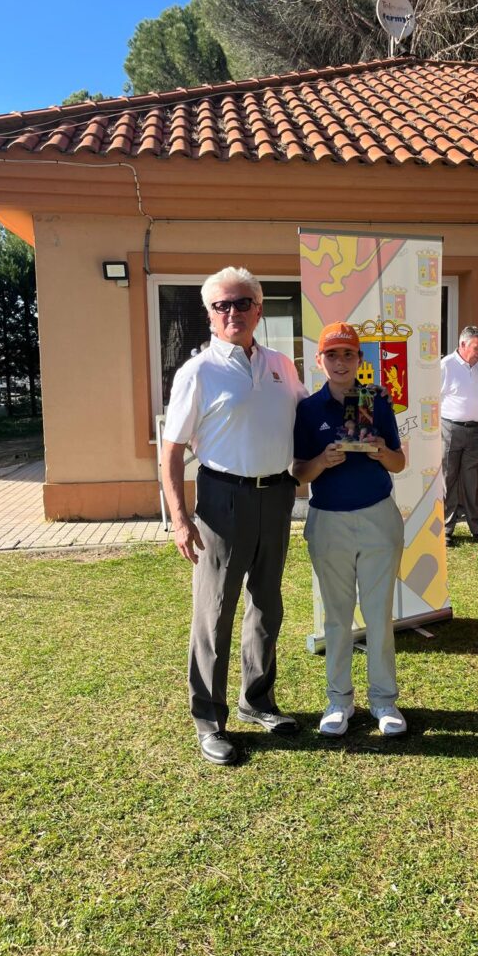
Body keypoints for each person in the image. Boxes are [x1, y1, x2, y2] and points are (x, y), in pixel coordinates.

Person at [161, 267, 307, 766]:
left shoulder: (281, 366)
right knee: (215, 611)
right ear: (209, 314)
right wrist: (180, 518)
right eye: (221, 305)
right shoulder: (198, 371)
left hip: (277, 495)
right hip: (223, 499)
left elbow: (307, 419)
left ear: (258, 309)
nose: (232, 313)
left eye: (242, 303)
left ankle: (257, 699)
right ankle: (209, 720)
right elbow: (171, 450)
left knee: (267, 603)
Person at [293, 322, 407, 738]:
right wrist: (321, 461)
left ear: (360, 359)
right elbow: (298, 472)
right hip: (329, 522)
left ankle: (384, 701)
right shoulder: (308, 409)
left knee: (378, 616)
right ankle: (338, 700)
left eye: (348, 354)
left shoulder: (376, 400)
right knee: (338, 618)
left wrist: (381, 452)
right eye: (332, 355)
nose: (340, 362)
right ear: (319, 360)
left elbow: (399, 462)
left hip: (378, 517)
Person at [440, 325, 478, 546]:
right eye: (477, 348)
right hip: (450, 428)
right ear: (462, 345)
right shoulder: (446, 366)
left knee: (472, 480)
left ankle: (476, 526)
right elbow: (433, 399)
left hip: (474, 430)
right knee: (448, 479)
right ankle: (445, 530)